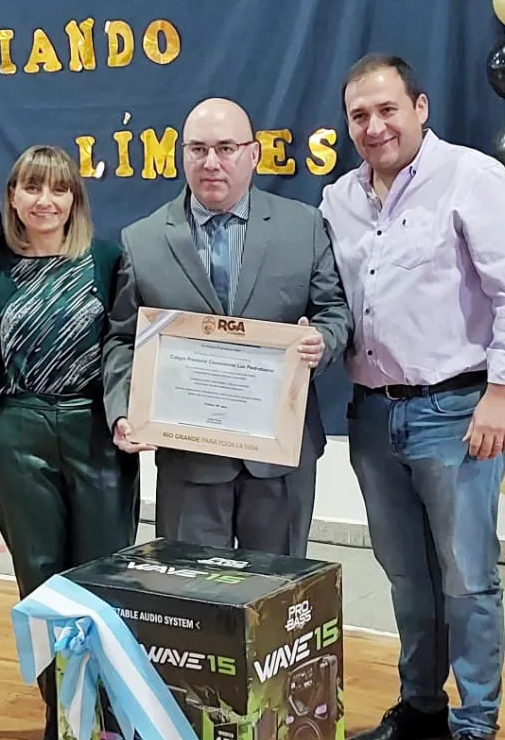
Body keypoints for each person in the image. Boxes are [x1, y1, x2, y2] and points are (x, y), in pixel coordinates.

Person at [318, 54, 505, 740]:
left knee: (468, 577)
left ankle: (477, 729)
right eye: (359, 116)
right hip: (374, 412)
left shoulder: (474, 179)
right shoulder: (338, 200)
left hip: (459, 410)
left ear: (419, 106)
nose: (374, 126)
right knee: (406, 574)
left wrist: (502, 396)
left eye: (387, 109)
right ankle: (422, 706)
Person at [102, 97, 352, 558]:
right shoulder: (143, 240)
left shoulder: (305, 226)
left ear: (253, 154)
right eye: (197, 149)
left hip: (281, 459)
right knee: (197, 604)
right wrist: (123, 408)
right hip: (190, 463)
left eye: (226, 148)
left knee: (277, 597)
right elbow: (122, 339)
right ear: (182, 155)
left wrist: (322, 342)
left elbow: (335, 311)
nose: (211, 162)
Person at [0, 144, 139, 740]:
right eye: (31, 189)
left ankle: (108, 704)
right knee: (41, 577)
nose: (45, 202)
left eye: (59, 190)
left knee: (101, 575)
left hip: (92, 427)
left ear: (76, 198)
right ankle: (59, 709)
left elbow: (128, 343)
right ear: (12, 197)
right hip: (16, 431)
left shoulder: (105, 259)